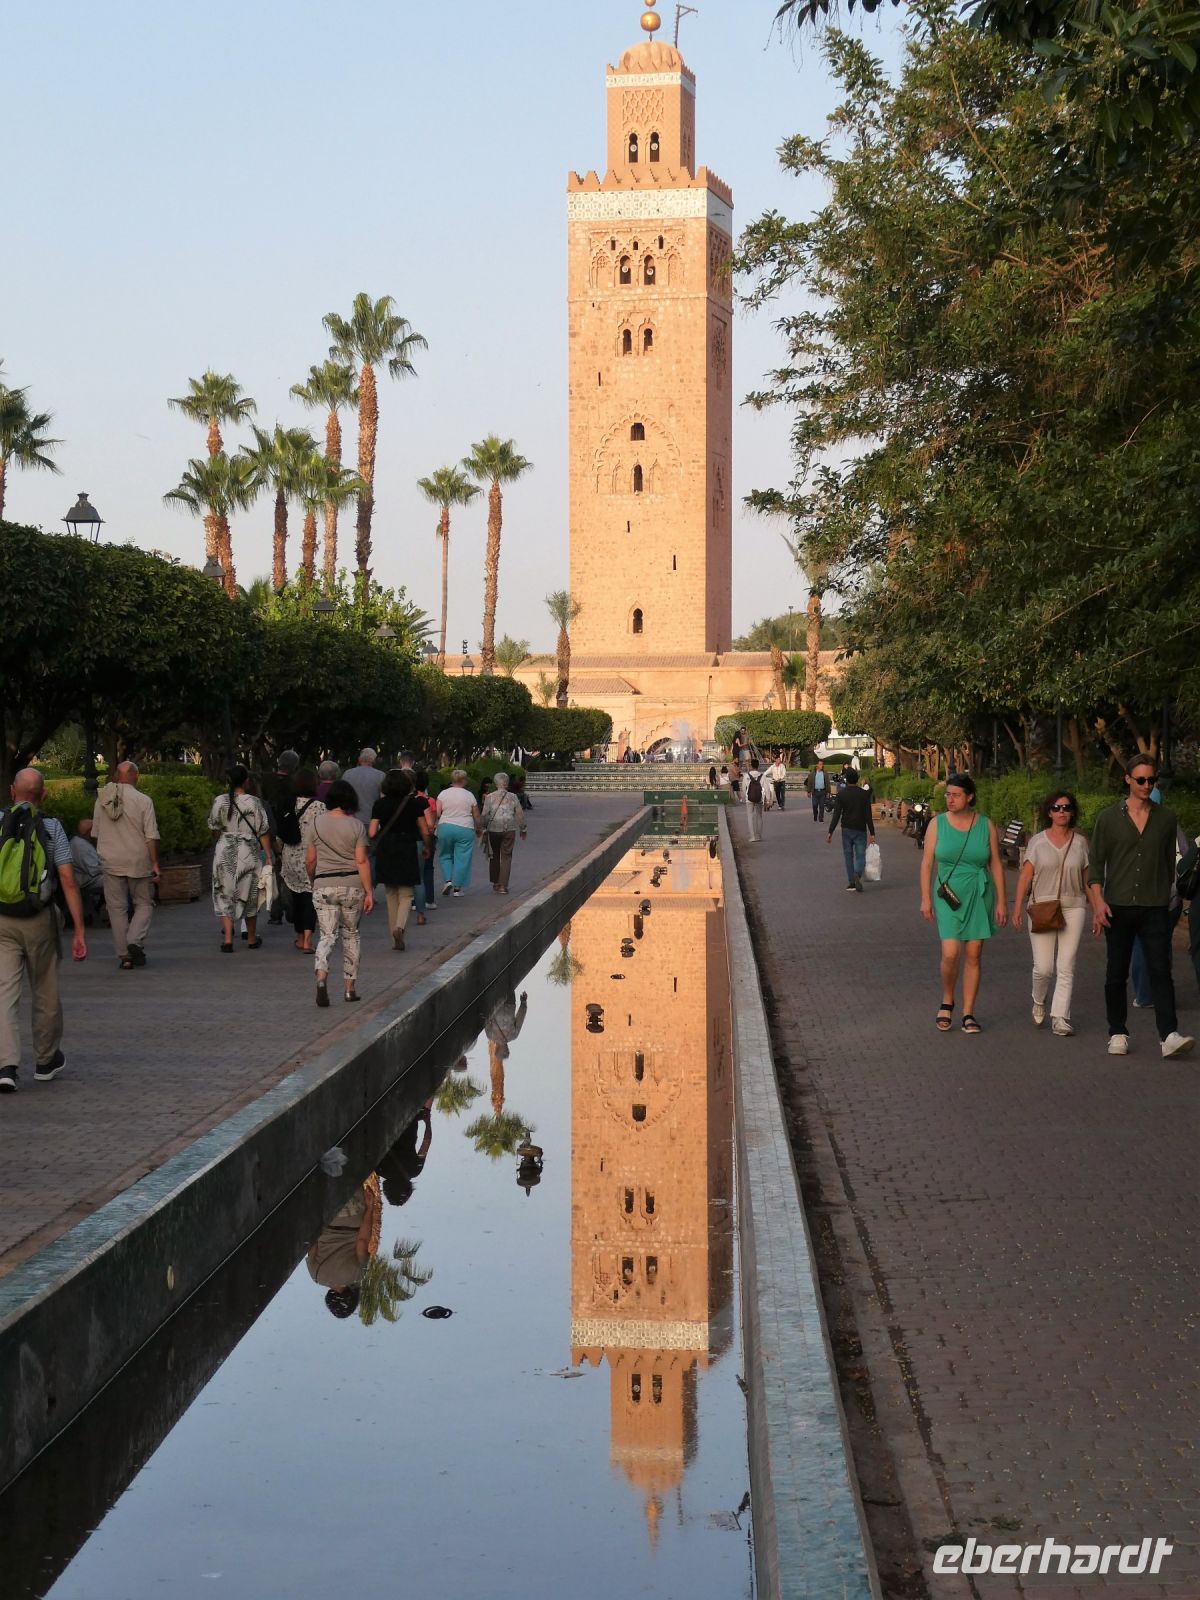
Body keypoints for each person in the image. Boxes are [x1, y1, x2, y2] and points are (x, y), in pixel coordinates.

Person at [1087, 755, 1194, 1058]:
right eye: (1141, 780)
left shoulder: (1166, 818)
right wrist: (1098, 902)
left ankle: (1168, 1034)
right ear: (1128, 780)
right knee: (1116, 973)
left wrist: (1166, 897)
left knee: (1161, 969)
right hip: (1117, 906)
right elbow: (1095, 866)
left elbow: (1166, 864)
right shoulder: (1108, 818)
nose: (1147, 785)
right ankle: (1117, 1031)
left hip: (1155, 906)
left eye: (1152, 780)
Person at [0, 768, 87, 1091]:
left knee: (4, 992)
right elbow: (67, 880)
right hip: (39, 918)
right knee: (44, 988)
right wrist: (79, 929)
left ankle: (5, 1066)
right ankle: (45, 1059)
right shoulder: (51, 828)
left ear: (13, 792)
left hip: (2, 918)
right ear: (44, 795)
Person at [919, 772, 1006, 1034]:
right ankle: (948, 998)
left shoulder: (985, 825)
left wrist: (1003, 901)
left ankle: (969, 1011)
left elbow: (996, 865)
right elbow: (927, 863)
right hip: (947, 893)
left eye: (956, 795)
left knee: (973, 953)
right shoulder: (937, 824)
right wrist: (925, 898)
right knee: (950, 952)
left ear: (970, 797)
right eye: (948, 794)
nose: (950, 799)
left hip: (979, 893)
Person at [1011, 790, 1090, 1037]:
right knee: (1043, 967)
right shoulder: (1037, 841)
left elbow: (1088, 879)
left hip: (1073, 905)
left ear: (1072, 812)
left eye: (1066, 807)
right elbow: (1025, 876)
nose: (1061, 812)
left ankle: (1060, 1017)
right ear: (1049, 812)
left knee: (1066, 965)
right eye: (1056, 808)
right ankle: (1038, 999)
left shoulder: (1080, 843)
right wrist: (1016, 907)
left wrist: (1098, 907)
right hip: (1042, 906)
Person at [306, 778, 374, 1005]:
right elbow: (362, 861)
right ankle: (349, 989)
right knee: (351, 935)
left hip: (323, 885)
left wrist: (312, 880)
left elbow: (310, 860)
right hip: (352, 887)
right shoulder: (356, 826)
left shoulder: (315, 824)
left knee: (327, 935)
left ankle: (321, 976)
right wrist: (369, 891)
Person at [92, 760, 160, 970]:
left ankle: (125, 956)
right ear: (135, 776)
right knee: (144, 903)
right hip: (137, 860)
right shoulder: (143, 800)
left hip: (111, 861)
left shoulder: (102, 800)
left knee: (116, 908)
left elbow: (96, 833)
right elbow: (150, 836)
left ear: (116, 776)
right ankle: (134, 940)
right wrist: (155, 863)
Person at [208, 765, 273, 953]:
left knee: (224, 892)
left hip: (225, 849)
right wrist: (268, 856)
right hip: (248, 851)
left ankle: (228, 939)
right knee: (250, 893)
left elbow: (214, 826)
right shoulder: (254, 802)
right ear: (246, 781)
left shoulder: (220, 801)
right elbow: (263, 831)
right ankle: (251, 938)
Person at [369, 768, 432, 950]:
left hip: (386, 847)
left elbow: (372, 832)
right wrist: (427, 847)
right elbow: (424, 829)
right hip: (407, 846)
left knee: (390, 893)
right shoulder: (414, 804)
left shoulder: (379, 804)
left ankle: (393, 934)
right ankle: (400, 928)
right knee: (406, 893)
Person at [307, 1174, 382, 1319]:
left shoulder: (358, 1275)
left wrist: (370, 1209)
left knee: (351, 1170)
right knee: (328, 1171)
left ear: (352, 1298)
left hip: (352, 1215)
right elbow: (312, 1244)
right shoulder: (315, 1276)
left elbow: (361, 1242)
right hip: (326, 1215)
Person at [279, 768, 325, 955]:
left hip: (290, 855)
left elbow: (280, 832)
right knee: (310, 897)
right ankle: (307, 939)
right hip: (311, 856)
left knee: (297, 897)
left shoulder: (288, 804)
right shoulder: (320, 807)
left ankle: (299, 937)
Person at [260, 749, 299, 925]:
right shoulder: (295, 783)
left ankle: (275, 912)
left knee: (274, 871)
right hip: (289, 831)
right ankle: (290, 907)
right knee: (289, 870)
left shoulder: (265, 780)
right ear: (294, 766)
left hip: (268, 831)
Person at [826, 767, 877, 892]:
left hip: (847, 829)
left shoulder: (841, 795)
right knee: (860, 855)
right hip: (860, 828)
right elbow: (868, 815)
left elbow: (836, 814)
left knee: (848, 856)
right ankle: (858, 872)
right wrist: (872, 832)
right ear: (857, 779)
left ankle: (851, 882)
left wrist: (830, 831)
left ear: (846, 780)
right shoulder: (864, 795)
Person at [436, 770, 482, 897]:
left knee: (445, 855)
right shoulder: (469, 795)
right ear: (464, 780)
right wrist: (479, 828)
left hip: (445, 827)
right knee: (462, 858)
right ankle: (457, 889)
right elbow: (476, 815)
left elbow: (438, 813)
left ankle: (448, 881)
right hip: (465, 828)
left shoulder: (443, 794)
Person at [480, 771, 528, 894]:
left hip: (493, 830)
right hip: (509, 829)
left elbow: (484, 815)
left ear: (495, 783)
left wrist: (483, 828)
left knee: (494, 856)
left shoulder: (489, 797)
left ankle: (496, 882)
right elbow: (519, 814)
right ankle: (503, 886)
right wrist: (523, 829)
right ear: (506, 783)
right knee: (506, 857)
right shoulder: (513, 796)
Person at [68, 818, 106, 925]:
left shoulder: (82, 842)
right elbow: (94, 870)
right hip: (86, 880)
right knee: (116, 880)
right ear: (89, 831)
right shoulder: (80, 845)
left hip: (88, 877)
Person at [412, 768, 437, 921]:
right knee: (428, 869)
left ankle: (414, 901)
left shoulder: (410, 800)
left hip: (412, 838)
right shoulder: (430, 801)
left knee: (414, 871)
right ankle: (430, 899)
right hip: (426, 838)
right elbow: (431, 824)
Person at [342, 746, 385, 816]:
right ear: (374, 760)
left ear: (359, 759)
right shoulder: (381, 775)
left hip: (350, 818)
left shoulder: (347, 774)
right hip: (372, 817)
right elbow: (383, 799)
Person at [745, 762, 766, 842]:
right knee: (759, 816)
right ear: (758, 766)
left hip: (749, 799)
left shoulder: (746, 775)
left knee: (750, 817)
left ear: (751, 766)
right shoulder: (762, 776)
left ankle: (752, 836)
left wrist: (745, 797)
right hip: (759, 798)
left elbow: (744, 788)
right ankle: (759, 836)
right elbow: (766, 788)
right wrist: (767, 799)